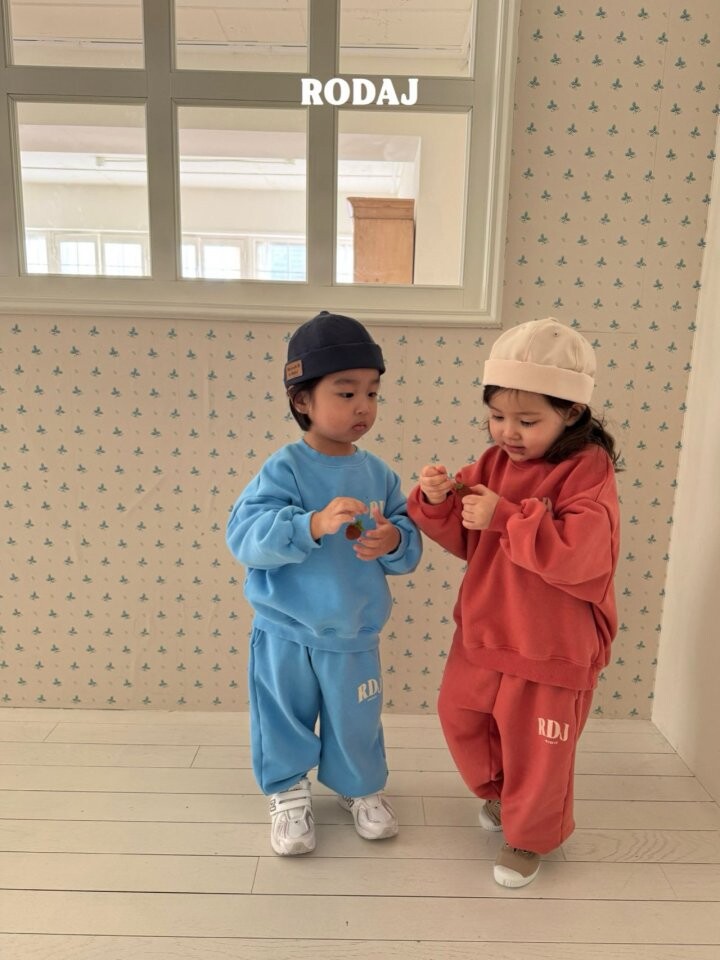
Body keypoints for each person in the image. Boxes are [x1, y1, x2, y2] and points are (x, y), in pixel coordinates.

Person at [408, 317, 620, 888]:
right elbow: (467, 537)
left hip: (552, 643)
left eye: (527, 421)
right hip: (486, 627)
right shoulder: (494, 462)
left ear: (571, 412)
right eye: (497, 416)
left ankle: (529, 836)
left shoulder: (588, 469)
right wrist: (438, 497)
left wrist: (505, 516)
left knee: (538, 749)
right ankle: (503, 796)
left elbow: (584, 555)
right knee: (461, 715)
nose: (508, 432)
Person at [226, 310, 422, 856]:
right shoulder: (285, 467)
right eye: (346, 392)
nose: (363, 406)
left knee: (356, 719)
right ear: (302, 400)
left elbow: (408, 543)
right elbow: (244, 536)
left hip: (354, 632)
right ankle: (288, 790)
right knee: (282, 716)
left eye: (372, 393)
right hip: (285, 630)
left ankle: (359, 786)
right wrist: (310, 524)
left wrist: (393, 540)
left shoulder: (379, 474)